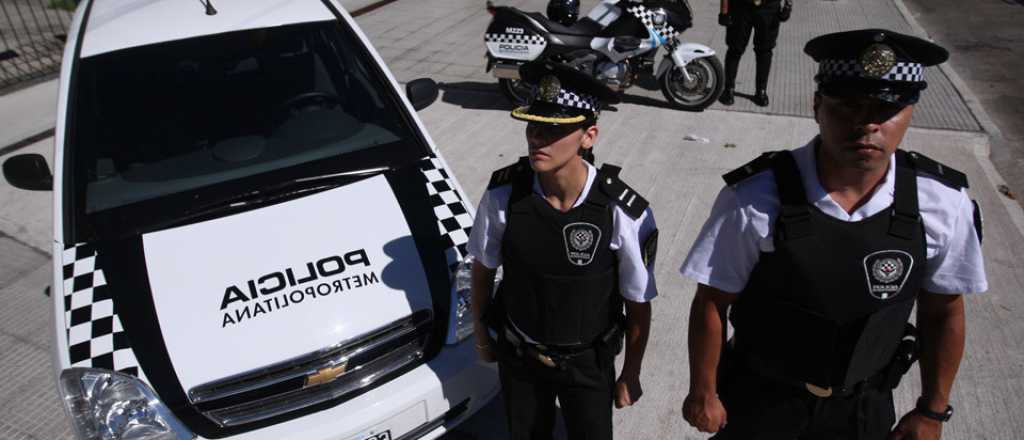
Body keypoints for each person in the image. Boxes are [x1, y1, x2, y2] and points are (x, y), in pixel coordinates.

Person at [679, 29, 987, 439]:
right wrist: (704, 391)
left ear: (910, 111)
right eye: (848, 106)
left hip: (862, 409)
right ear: (817, 106)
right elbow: (712, 300)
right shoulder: (755, 197)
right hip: (759, 401)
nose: (868, 124)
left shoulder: (942, 204)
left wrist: (932, 411)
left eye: (887, 109)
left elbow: (943, 311)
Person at [468, 61, 658, 440]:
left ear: (589, 136)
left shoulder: (621, 211)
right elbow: (483, 270)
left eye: (554, 130)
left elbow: (638, 302)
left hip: (588, 364)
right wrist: (482, 336)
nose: (537, 138)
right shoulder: (504, 196)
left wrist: (631, 372)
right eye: (533, 125)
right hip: (521, 358)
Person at [717, 0, 791, 107]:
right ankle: (728, 89)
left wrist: (788, 5)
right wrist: (724, 11)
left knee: (765, 50)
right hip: (741, 7)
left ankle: (761, 91)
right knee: (735, 49)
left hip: (769, 8)